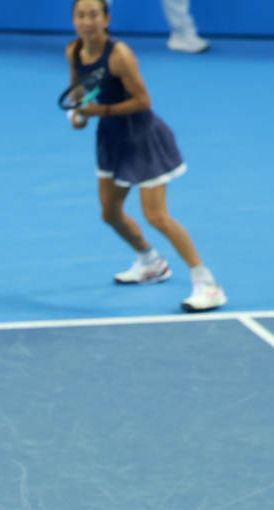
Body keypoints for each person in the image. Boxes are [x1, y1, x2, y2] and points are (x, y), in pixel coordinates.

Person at [68, 0, 226, 312]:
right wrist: (77, 113)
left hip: (142, 138)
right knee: (110, 214)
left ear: (106, 19)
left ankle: (207, 284)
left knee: (156, 216)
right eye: (80, 15)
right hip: (111, 139)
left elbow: (143, 101)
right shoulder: (74, 51)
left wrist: (98, 111)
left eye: (93, 15)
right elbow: (78, 91)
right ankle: (150, 262)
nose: (87, 22)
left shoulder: (120, 55)